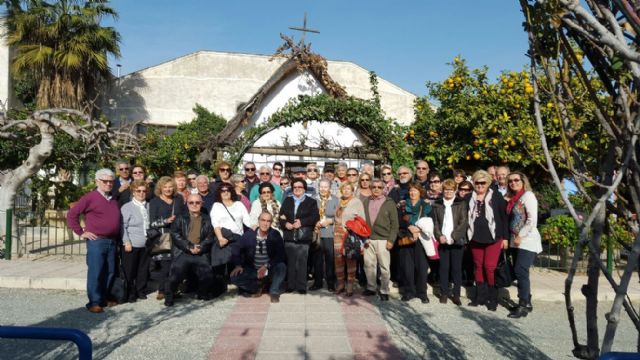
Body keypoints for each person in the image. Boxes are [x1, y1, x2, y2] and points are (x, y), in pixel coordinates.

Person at [67, 168, 121, 313]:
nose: (109, 184)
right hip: (97, 241)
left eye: (111, 181)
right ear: (97, 181)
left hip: (112, 241)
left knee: (110, 271)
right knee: (96, 272)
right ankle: (94, 302)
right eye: (105, 181)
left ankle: (103, 298)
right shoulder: (90, 197)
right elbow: (72, 214)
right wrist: (80, 232)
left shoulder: (113, 198)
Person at [467, 170, 509, 311]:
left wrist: (505, 238)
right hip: (475, 237)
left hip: (493, 238)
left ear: (488, 183)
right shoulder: (469, 197)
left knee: (489, 267)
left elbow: (504, 218)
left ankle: (493, 298)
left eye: (482, 182)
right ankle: (480, 297)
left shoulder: (496, 196)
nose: (479, 185)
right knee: (478, 266)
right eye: (477, 182)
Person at [164, 194, 215, 306]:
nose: (194, 205)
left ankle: (202, 293)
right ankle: (169, 295)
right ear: (187, 204)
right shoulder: (180, 217)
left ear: (202, 203)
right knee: (175, 276)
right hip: (183, 251)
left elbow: (210, 237)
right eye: (191, 202)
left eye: (197, 202)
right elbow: (175, 234)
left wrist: (200, 247)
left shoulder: (207, 219)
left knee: (208, 275)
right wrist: (189, 246)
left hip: (200, 251)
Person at [506, 171, 542, 318]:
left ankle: (523, 305)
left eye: (516, 180)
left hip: (526, 240)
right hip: (515, 241)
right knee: (520, 271)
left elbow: (532, 220)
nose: (513, 183)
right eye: (510, 181)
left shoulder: (528, 196)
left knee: (521, 270)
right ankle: (527, 301)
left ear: (523, 181)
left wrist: (521, 235)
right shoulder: (514, 198)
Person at [230, 211, 287, 303]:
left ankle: (274, 292)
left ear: (271, 223)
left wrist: (266, 266)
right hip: (253, 270)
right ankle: (257, 287)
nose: (265, 223)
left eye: (268, 221)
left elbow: (281, 254)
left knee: (281, 267)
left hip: (269, 269)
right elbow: (236, 247)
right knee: (234, 277)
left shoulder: (275, 234)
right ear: (258, 221)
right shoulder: (249, 235)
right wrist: (238, 265)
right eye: (263, 220)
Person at [148, 176, 187, 301]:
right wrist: (166, 221)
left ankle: (173, 289)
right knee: (165, 266)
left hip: (178, 237)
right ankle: (162, 290)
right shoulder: (154, 202)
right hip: (163, 237)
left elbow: (184, 215)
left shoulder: (179, 199)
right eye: (165, 187)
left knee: (176, 266)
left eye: (170, 186)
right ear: (160, 188)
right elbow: (152, 222)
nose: (168, 189)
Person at [279, 178, 320, 294]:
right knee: (291, 261)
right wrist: (285, 223)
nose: (297, 189)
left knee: (302, 261)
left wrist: (301, 222)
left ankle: (301, 286)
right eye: (295, 187)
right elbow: (281, 216)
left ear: (304, 189)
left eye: (299, 187)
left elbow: (315, 217)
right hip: (289, 235)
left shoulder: (311, 202)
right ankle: (291, 285)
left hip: (303, 236)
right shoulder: (287, 200)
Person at [431, 179, 468, 306]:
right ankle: (444, 293)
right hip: (442, 240)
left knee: (456, 269)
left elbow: (463, 222)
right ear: (442, 190)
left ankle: (456, 295)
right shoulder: (437, 204)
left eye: (451, 190)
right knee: (443, 268)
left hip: (456, 241)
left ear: (455, 191)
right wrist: (439, 236)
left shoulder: (461, 203)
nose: (448, 192)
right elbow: (435, 222)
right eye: (446, 190)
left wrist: (454, 236)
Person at [362, 179, 398, 301]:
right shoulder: (366, 201)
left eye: (379, 187)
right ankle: (371, 287)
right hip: (368, 239)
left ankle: (384, 290)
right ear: (371, 188)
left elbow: (395, 224)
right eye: (374, 187)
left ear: (383, 189)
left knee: (384, 267)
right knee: (368, 265)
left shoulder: (389, 202)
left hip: (383, 239)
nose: (376, 189)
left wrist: (391, 240)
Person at [397, 182, 432, 303]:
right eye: (411, 190)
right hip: (406, 238)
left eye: (415, 190)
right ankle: (409, 292)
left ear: (420, 192)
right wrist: (410, 228)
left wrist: (418, 229)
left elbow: (430, 221)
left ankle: (422, 293)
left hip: (421, 239)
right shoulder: (402, 205)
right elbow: (398, 222)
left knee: (422, 267)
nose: (412, 193)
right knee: (407, 267)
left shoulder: (426, 205)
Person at [120, 179, 152, 303]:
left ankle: (141, 290)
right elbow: (123, 226)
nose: (141, 193)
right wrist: (126, 241)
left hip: (146, 244)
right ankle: (130, 292)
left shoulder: (149, 205)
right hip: (132, 244)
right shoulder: (127, 207)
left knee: (143, 269)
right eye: (138, 191)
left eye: (144, 191)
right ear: (133, 192)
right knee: (130, 270)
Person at [333, 181, 365, 296]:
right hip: (337, 233)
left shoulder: (356, 202)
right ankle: (341, 284)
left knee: (350, 258)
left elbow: (362, 220)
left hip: (350, 233)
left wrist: (352, 227)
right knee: (338, 259)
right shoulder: (339, 201)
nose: (346, 191)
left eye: (348, 189)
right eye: (344, 189)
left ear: (352, 190)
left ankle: (350, 285)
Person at [311, 179, 339, 291]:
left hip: (329, 233)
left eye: (325, 187)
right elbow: (309, 213)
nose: (323, 189)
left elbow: (339, 216)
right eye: (321, 187)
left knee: (330, 259)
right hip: (317, 232)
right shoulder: (313, 199)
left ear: (330, 188)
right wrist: (314, 221)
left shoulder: (335, 200)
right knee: (317, 259)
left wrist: (330, 221)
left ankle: (331, 283)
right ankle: (317, 282)